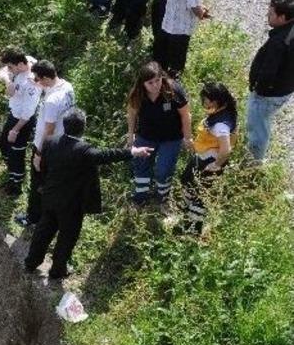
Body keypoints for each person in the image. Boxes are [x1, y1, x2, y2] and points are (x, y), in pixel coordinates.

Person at [24, 109, 153, 279]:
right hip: (71, 204)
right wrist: (133, 152)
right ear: (83, 127)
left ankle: (31, 263)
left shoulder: (50, 142)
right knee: (67, 237)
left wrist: (43, 186)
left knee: (43, 230)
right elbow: (106, 155)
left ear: (64, 125)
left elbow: (43, 167)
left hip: (50, 197)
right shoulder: (83, 150)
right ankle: (57, 270)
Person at [18, 60, 75, 226]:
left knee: (38, 182)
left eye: (37, 79)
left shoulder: (52, 101)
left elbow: (48, 129)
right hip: (61, 143)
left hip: (46, 147)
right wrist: (39, 86)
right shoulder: (67, 87)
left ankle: (33, 218)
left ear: (45, 78)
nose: (36, 82)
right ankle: (49, 216)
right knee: (51, 182)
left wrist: (39, 154)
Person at [126, 61, 192, 205]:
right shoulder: (137, 94)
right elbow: (131, 113)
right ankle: (141, 198)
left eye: (158, 80)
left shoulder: (173, 90)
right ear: (143, 83)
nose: (155, 85)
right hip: (146, 136)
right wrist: (130, 134)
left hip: (171, 138)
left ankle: (162, 197)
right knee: (141, 166)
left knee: (163, 170)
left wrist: (188, 138)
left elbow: (185, 115)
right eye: (150, 82)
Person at [179, 83, 238, 235]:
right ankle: (184, 212)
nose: (205, 103)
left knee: (201, 194)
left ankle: (191, 231)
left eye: (207, 100)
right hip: (202, 158)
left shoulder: (220, 124)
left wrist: (216, 165)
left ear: (218, 101)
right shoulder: (224, 111)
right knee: (188, 181)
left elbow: (225, 149)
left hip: (208, 162)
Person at [247, 0, 294, 163]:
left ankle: (253, 164)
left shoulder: (279, 41)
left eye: (271, 13)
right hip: (284, 90)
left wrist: (258, 90)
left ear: (282, 18)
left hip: (267, 96)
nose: (267, 14)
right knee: (263, 124)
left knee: (258, 130)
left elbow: (268, 73)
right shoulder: (290, 32)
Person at [0, 48, 42, 196]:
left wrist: (15, 130)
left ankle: (16, 184)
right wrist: (8, 78)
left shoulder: (31, 84)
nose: (9, 69)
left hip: (22, 120)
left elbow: (28, 113)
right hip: (14, 114)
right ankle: (12, 172)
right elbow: (3, 73)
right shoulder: (25, 61)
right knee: (4, 143)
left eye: (11, 67)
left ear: (21, 64)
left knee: (17, 151)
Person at [152, 0, 210, 77]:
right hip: (181, 30)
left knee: (161, 60)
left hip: (167, 25)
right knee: (176, 67)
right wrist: (203, 12)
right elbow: (195, 8)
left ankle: (159, 81)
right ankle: (171, 85)